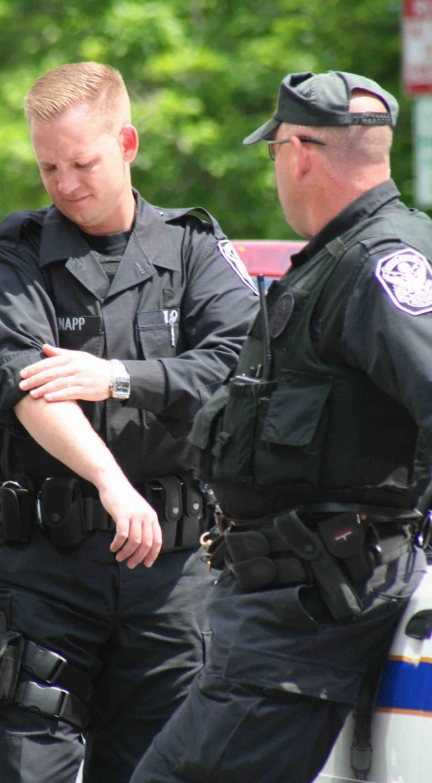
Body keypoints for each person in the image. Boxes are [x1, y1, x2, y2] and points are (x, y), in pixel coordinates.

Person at [130, 71, 432, 783]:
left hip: (308, 619)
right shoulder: (344, 255)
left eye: (274, 155)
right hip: (285, 612)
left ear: (299, 151)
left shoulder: (376, 263)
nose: (276, 171)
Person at [0, 61, 258, 783]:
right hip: (44, 567)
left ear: (127, 143)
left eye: (82, 162)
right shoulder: (15, 255)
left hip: (169, 575)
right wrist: (109, 482)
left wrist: (121, 376)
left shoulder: (192, 251)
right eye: (48, 166)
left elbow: (239, 361)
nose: (65, 183)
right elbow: (30, 386)